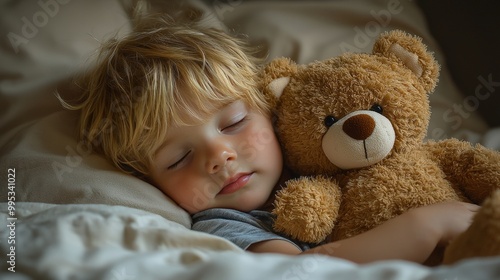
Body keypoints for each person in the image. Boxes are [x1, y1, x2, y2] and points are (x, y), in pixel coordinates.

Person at [61, 15, 478, 264]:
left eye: (234, 123)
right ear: (150, 180)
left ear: (268, 105)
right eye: (178, 158)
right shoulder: (226, 224)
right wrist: (427, 224)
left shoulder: (326, 153)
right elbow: (300, 273)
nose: (219, 156)